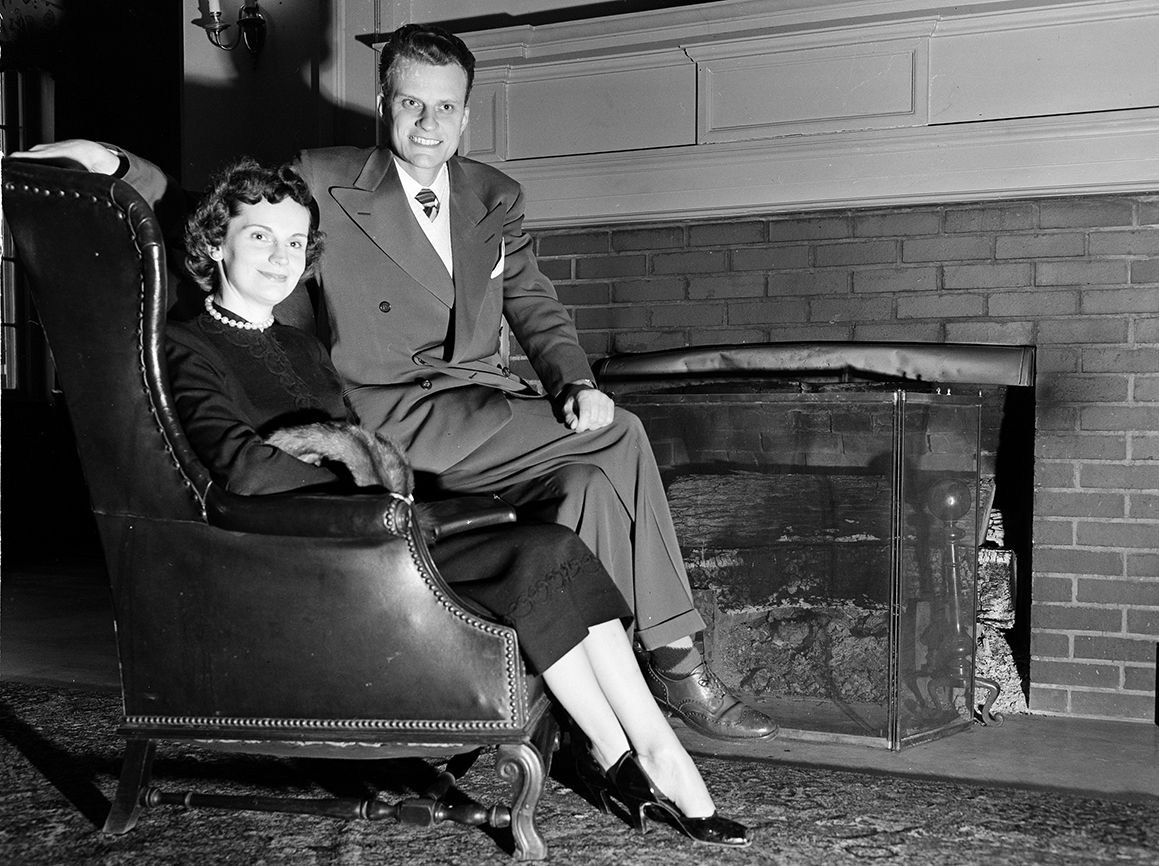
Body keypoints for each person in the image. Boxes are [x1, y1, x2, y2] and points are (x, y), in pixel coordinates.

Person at [10, 22, 778, 743]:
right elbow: (212, 207)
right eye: (411, 102)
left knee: (587, 481)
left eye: (445, 107)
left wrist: (574, 380)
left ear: (466, 113)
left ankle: (580, 716)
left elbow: (535, 306)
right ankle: (678, 664)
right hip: (396, 414)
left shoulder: (494, 194)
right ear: (384, 103)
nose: (427, 123)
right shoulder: (326, 175)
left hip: (486, 404)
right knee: (624, 433)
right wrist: (109, 161)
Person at [154, 156, 751, 846]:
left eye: (294, 243)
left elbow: (363, 452)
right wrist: (364, 476)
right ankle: (638, 761)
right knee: (533, 556)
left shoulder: (304, 347)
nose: (280, 257)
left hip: (375, 529)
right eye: (259, 237)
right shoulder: (185, 345)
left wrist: (395, 488)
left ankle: (645, 756)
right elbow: (244, 470)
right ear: (213, 244)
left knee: (554, 544)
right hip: (311, 559)